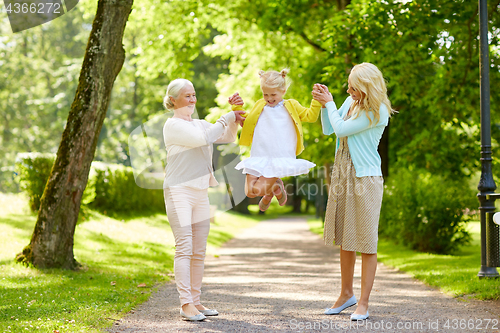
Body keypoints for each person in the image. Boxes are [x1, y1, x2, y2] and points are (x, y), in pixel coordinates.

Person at [312, 63, 394, 321]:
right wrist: (327, 104)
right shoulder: (350, 101)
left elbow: (342, 129)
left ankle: (364, 303)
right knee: (346, 239)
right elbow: (329, 128)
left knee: (366, 243)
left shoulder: (378, 110)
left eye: (353, 86)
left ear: (367, 87)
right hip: (343, 172)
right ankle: (346, 294)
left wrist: (330, 103)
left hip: (365, 177)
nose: (348, 89)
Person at [162, 79, 244, 321]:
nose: (192, 100)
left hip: (200, 191)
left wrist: (234, 121)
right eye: (187, 96)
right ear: (173, 100)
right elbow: (204, 138)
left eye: (194, 95)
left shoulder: (198, 123)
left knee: (199, 250)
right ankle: (185, 304)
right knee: (185, 247)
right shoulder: (173, 125)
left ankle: (196, 302)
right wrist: (227, 116)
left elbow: (226, 137)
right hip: (179, 191)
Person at [228, 69, 321, 211]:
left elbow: (310, 116)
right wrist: (236, 106)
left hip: (277, 159)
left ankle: (271, 191)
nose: (269, 98)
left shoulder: (291, 106)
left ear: (283, 91)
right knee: (250, 193)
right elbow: (247, 122)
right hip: (259, 156)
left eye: (273, 94)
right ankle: (275, 187)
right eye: (265, 94)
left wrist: (317, 101)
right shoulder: (260, 105)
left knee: (258, 191)